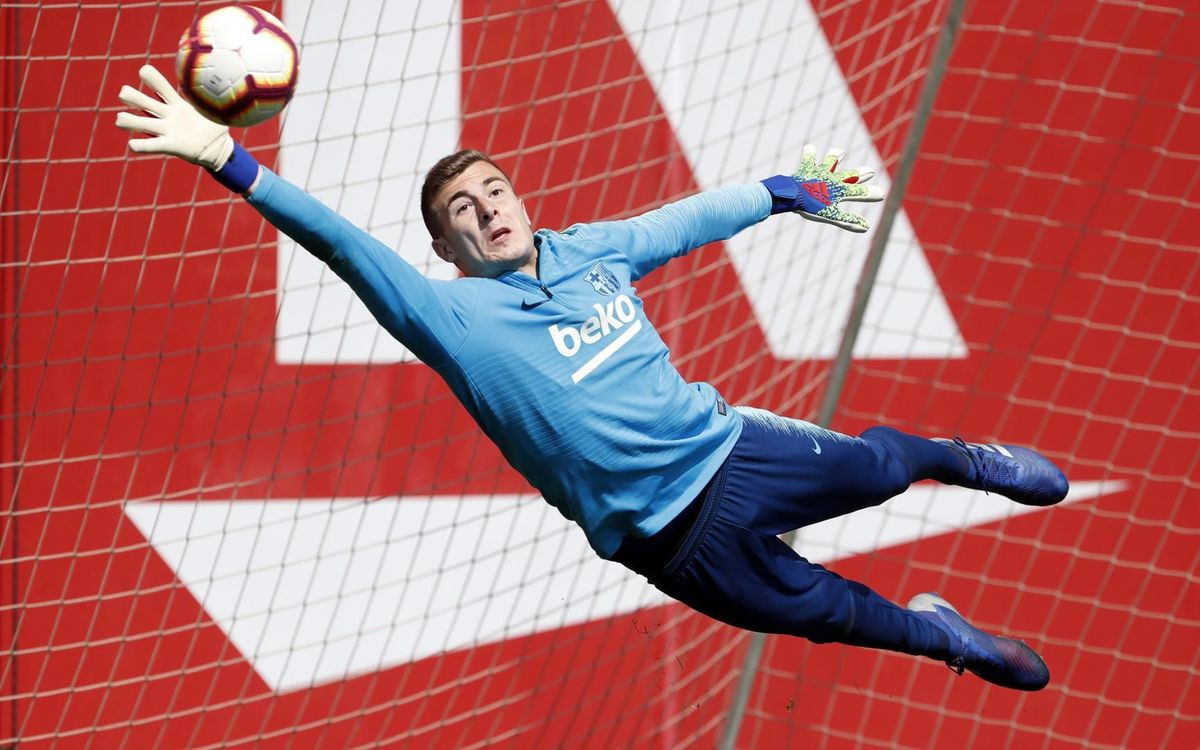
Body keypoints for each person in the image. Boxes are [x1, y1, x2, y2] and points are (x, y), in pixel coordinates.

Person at [116, 65, 1069, 691]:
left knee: (882, 466)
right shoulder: (449, 317)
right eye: (463, 210)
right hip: (669, 540)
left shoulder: (588, 252)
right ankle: (945, 637)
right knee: (830, 616)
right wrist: (231, 161)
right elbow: (342, 245)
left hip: (730, 451)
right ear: (445, 246)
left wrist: (784, 192)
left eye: (494, 190)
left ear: (517, 197)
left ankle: (966, 460)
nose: (488, 211)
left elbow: (681, 221)